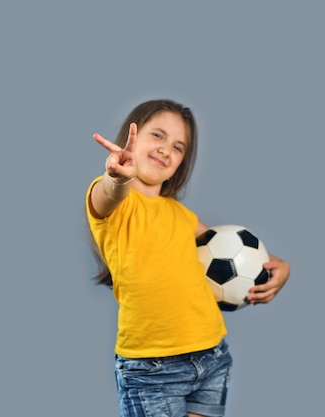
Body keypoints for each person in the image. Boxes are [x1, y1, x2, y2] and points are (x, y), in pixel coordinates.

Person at [85, 99, 290, 417]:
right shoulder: (115, 203)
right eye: (157, 135)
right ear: (131, 137)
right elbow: (107, 194)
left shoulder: (182, 215)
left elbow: (236, 251)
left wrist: (282, 267)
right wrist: (117, 177)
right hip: (154, 369)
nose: (166, 149)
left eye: (178, 147)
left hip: (211, 354)